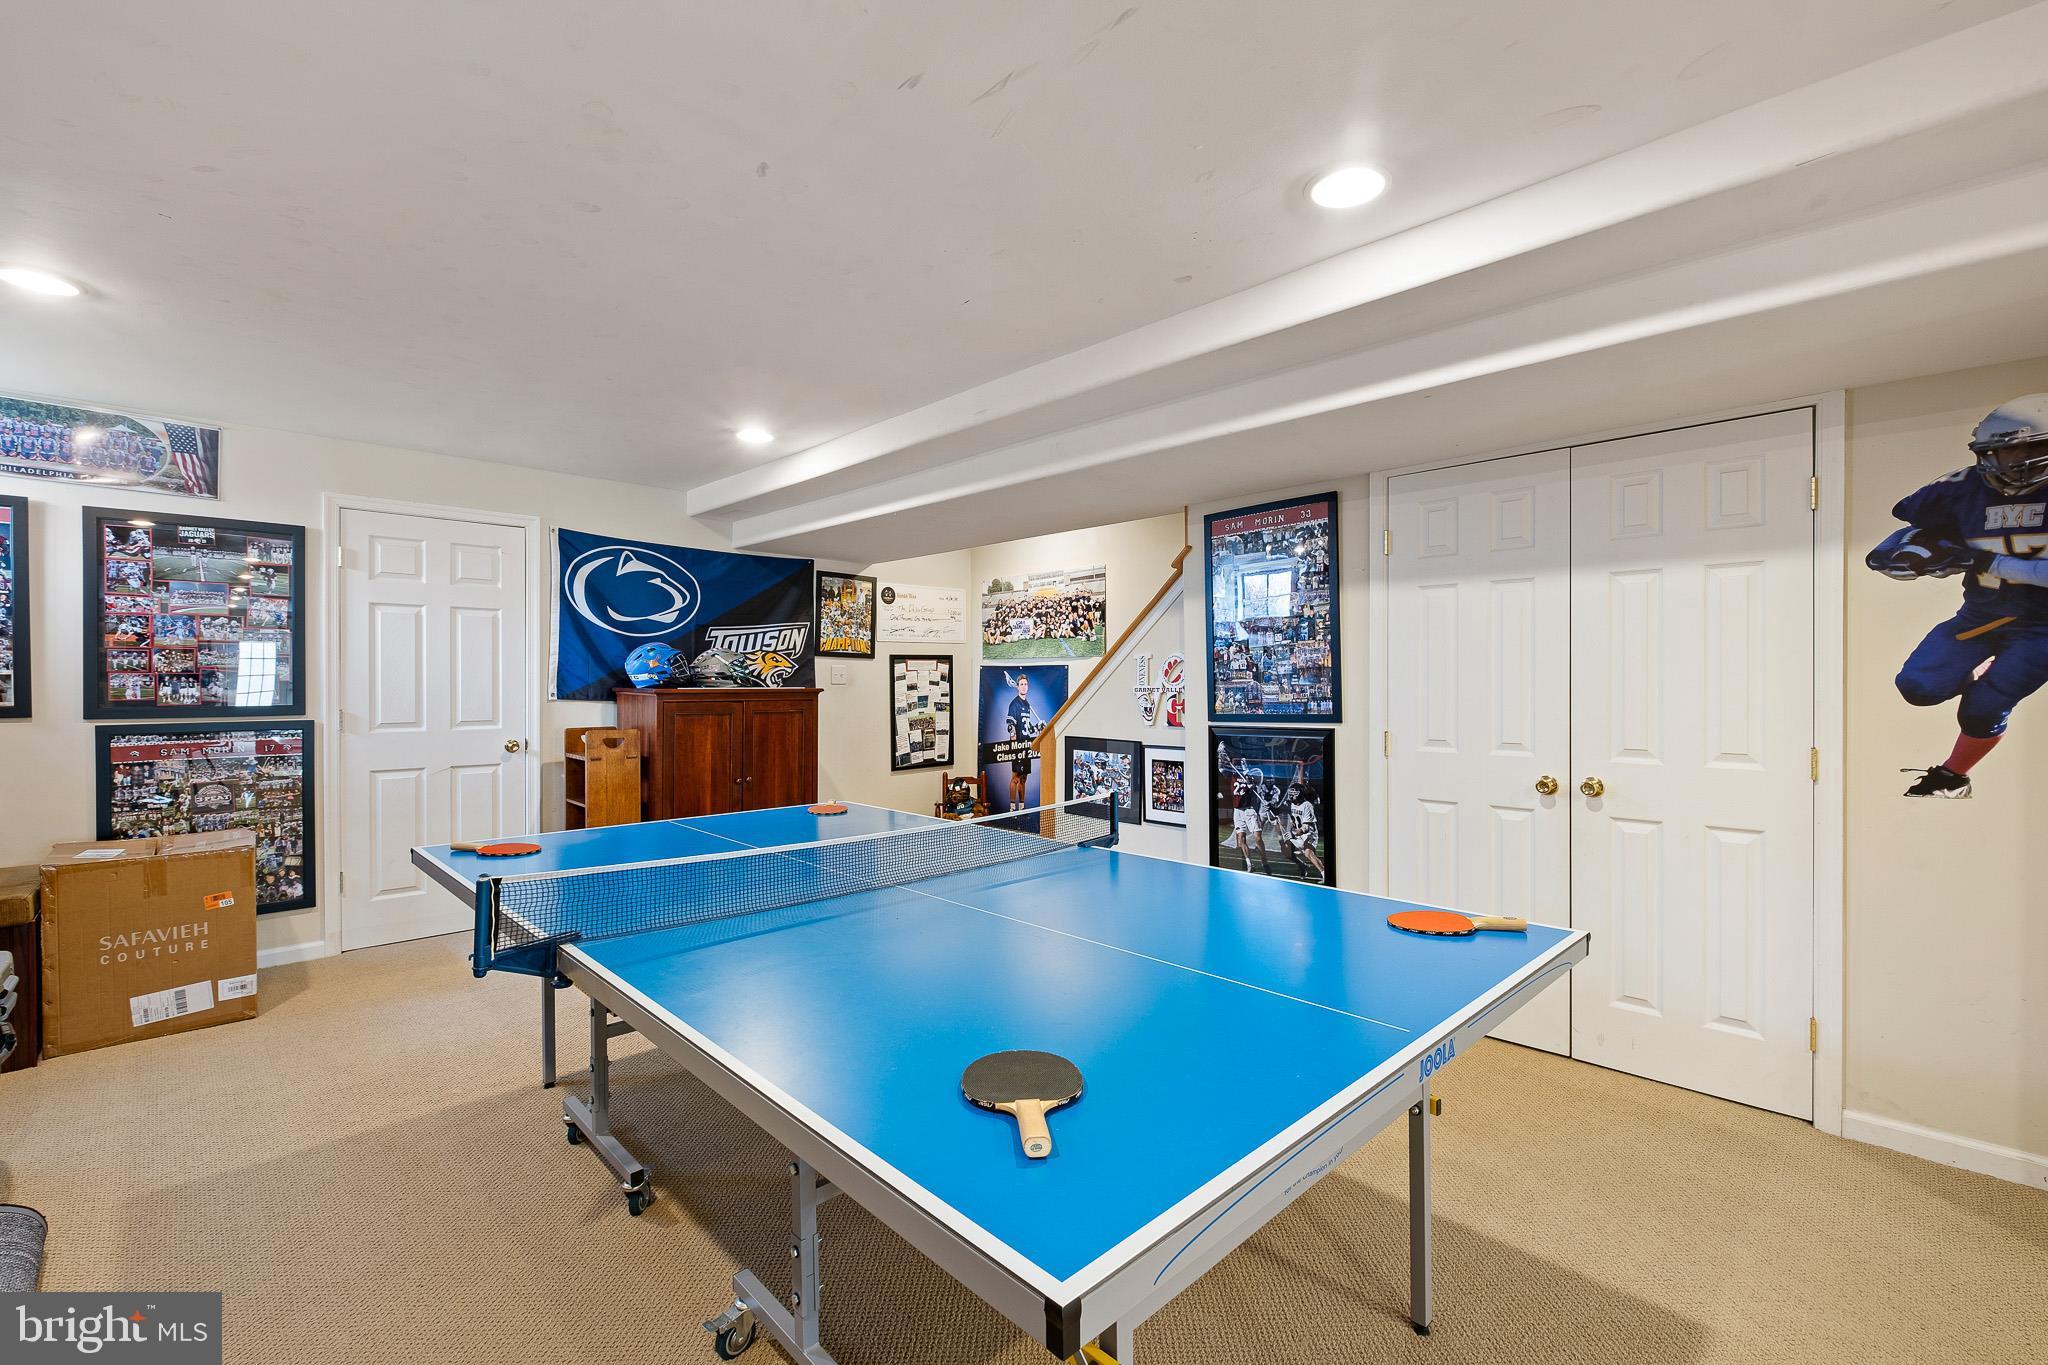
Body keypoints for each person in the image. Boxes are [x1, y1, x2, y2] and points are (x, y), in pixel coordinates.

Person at [1867, 394, 2048, 797]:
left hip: (2043, 627)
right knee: (1918, 686)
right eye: (2000, 451)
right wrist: (1906, 551)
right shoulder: (1963, 488)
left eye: (2028, 447)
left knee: (1982, 709)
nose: (2012, 460)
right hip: (1981, 615)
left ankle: (1953, 777)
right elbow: (1916, 527)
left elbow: (1987, 560)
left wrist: (1986, 562)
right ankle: (1982, 668)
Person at [1278, 781, 1327, 883]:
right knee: (1286, 852)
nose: (1291, 795)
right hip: (1296, 833)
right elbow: (1290, 817)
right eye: (1290, 793)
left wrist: (1293, 833)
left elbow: (1306, 827)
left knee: (1308, 853)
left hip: (1309, 834)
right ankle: (1302, 866)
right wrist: (1273, 809)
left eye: (1294, 793)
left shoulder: (1307, 805)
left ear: (1300, 793)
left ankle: (1324, 874)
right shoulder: (1292, 804)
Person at [1004, 672, 1040, 808]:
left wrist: (1038, 727)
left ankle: (1022, 807)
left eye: (1026, 684)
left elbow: (1028, 728)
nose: (1024, 687)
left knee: (1024, 778)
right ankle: (1012, 807)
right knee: (1015, 778)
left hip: (1027, 746)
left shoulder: (1027, 705)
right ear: (1017, 686)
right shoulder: (1014, 704)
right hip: (1018, 745)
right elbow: (1010, 725)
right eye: (1021, 684)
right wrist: (1014, 746)